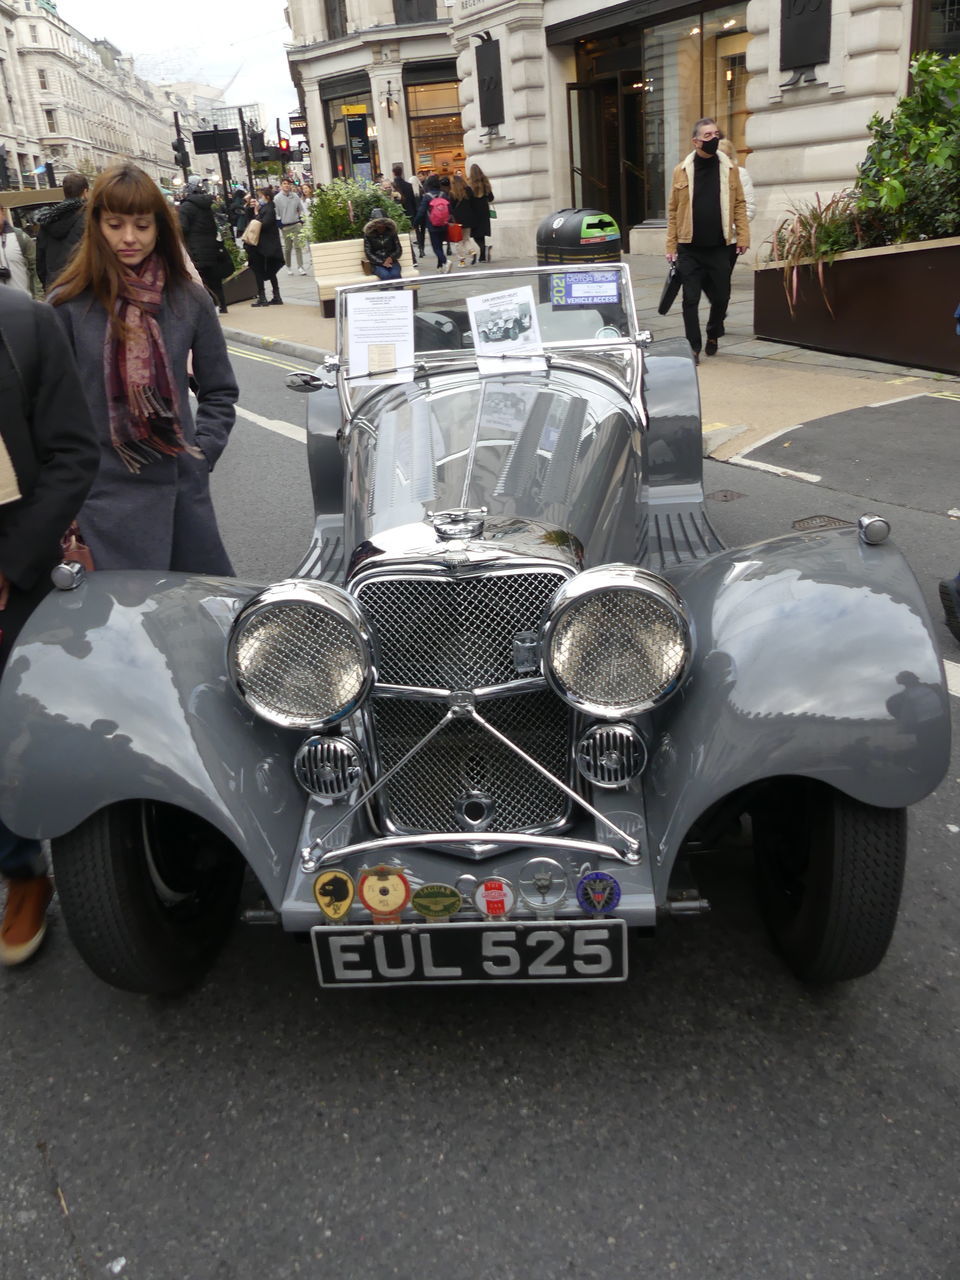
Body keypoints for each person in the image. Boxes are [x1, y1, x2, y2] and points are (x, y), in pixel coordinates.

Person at [49, 161, 238, 575]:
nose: (129, 238)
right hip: (102, 504)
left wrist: (202, 453)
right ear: (97, 226)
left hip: (181, 494)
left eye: (142, 225)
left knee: (197, 625)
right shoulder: (67, 306)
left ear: (160, 228)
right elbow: (46, 415)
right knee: (121, 633)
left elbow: (219, 390)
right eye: (115, 225)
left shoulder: (189, 299)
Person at [0, 286, 100, 965]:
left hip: (14, 559)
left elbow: (72, 452)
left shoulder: (24, 324)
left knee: (19, 726)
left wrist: (12, 561)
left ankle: (23, 869)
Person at [666, 118, 749, 363]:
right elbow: (672, 211)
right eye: (707, 135)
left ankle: (714, 332)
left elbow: (740, 204)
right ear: (696, 141)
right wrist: (671, 245)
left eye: (716, 133)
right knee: (689, 299)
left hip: (720, 247)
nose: (713, 138)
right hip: (689, 247)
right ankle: (693, 346)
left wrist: (743, 235)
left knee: (721, 297)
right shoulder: (681, 170)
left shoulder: (729, 168)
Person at [178, 175, 228, 314]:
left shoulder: (186, 207)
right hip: (211, 245)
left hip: (196, 247)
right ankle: (222, 304)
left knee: (202, 278)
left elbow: (183, 228)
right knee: (214, 277)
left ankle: (210, 307)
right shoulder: (207, 205)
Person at [35, 172, 89, 289]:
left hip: (55, 287)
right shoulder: (90, 218)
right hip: (83, 287)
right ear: (85, 192)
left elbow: (40, 261)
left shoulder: (47, 220)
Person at [718, 138, 756, 270]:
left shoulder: (741, 174)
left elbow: (749, 208)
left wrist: (731, 228)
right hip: (707, 239)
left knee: (721, 280)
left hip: (730, 240)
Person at [245, 186, 284, 307]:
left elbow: (263, 224)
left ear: (266, 197)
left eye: (260, 196)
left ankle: (263, 297)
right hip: (267, 245)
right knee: (270, 271)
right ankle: (276, 296)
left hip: (264, 246)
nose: (258, 199)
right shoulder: (267, 208)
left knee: (260, 270)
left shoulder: (268, 209)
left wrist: (256, 214)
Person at [0, 205, 40, 298]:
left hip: (24, 303)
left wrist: (39, 298)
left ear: (2, 211)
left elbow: (35, 269)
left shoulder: (20, 237)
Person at [414, 176, 451, 271]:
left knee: (436, 247)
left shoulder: (427, 196)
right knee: (440, 246)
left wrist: (415, 222)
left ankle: (445, 261)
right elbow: (450, 209)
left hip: (432, 225)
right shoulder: (444, 194)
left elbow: (421, 212)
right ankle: (440, 266)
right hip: (444, 224)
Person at [274, 177, 307, 275]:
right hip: (286, 226)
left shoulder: (295, 196)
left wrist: (301, 220)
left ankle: (300, 267)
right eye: (284, 183)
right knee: (288, 248)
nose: (286, 185)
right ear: (281, 186)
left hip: (296, 224)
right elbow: (276, 213)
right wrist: (280, 225)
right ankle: (288, 266)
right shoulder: (277, 198)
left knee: (298, 246)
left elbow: (300, 209)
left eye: (288, 184)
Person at [363, 207, 403, 281]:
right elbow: (368, 253)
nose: (381, 225)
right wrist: (381, 262)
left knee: (395, 275)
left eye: (383, 223)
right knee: (385, 275)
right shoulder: (368, 235)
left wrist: (391, 258)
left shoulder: (392, 232)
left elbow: (398, 249)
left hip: (392, 261)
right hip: (377, 264)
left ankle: (400, 292)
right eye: (378, 223)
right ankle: (385, 292)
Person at [449, 173, 478, 268]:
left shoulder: (452, 193)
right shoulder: (469, 190)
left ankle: (461, 260)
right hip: (468, 219)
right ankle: (472, 251)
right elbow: (473, 204)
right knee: (466, 239)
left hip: (458, 220)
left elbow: (451, 208)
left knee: (458, 242)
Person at [468, 164, 494, 263]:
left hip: (474, 211)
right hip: (484, 211)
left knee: (475, 234)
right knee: (481, 233)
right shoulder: (485, 183)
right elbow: (491, 198)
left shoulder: (470, 185)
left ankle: (483, 249)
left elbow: (469, 199)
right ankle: (483, 255)